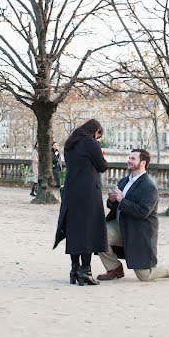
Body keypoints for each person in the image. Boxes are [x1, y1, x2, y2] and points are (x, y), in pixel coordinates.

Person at [97, 148, 169, 282]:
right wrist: (112, 200)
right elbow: (114, 206)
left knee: (144, 276)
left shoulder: (149, 187)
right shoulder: (124, 181)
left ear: (142, 163)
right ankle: (114, 268)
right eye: (129, 157)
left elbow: (142, 212)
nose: (129, 161)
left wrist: (121, 200)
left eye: (133, 158)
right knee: (98, 233)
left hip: (139, 233)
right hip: (121, 226)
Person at [53, 119, 108, 286]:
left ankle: (74, 269)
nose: (98, 139)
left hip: (71, 191)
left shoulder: (70, 143)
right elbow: (102, 166)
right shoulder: (90, 143)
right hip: (88, 192)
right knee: (88, 230)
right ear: (95, 131)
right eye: (99, 135)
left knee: (74, 230)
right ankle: (86, 270)